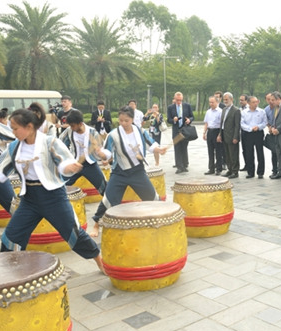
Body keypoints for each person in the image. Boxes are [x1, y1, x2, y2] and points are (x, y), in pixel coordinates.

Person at [0, 107, 105, 273]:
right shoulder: (14, 147)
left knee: (74, 234)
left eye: (15, 128)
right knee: (10, 237)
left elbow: (64, 164)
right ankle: (12, 272)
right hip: (29, 199)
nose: (13, 132)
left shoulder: (50, 142)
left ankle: (98, 259)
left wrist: (69, 167)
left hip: (53, 198)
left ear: (29, 126)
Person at [90, 106, 167, 237]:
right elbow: (108, 152)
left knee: (152, 197)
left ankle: (162, 221)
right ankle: (96, 225)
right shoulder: (113, 134)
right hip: (120, 172)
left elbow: (150, 143)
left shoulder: (140, 131)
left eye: (126, 120)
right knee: (108, 198)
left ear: (132, 119)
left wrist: (159, 149)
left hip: (137, 171)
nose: (123, 123)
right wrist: (102, 154)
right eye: (121, 120)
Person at [59, 109, 110, 197]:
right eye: (70, 126)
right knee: (59, 185)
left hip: (90, 165)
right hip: (74, 164)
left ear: (80, 123)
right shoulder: (69, 131)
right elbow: (60, 144)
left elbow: (101, 147)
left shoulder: (92, 132)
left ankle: (110, 207)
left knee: (105, 189)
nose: (71, 128)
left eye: (73, 126)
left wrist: (102, 155)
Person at [167, 92, 194, 174]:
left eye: (180, 100)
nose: (178, 102)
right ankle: (179, 166)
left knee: (184, 148)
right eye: (177, 100)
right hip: (176, 130)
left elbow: (192, 116)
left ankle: (185, 165)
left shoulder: (187, 106)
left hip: (185, 129)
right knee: (177, 148)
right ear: (174, 99)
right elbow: (168, 119)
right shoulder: (170, 107)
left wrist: (189, 120)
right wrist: (173, 120)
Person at [240, 96, 267, 179]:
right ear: (248, 103)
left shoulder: (261, 111)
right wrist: (250, 128)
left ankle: (260, 172)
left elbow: (265, 122)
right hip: (248, 134)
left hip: (258, 133)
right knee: (249, 153)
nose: (255, 104)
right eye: (253, 102)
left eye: (256, 102)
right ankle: (250, 172)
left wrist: (258, 127)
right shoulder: (244, 112)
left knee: (260, 152)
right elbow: (242, 123)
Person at [218, 92, 241, 179]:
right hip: (224, 135)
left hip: (232, 136)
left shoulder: (236, 110)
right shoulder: (224, 110)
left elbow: (237, 125)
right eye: (224, 99)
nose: (225, 101)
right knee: (227, 154)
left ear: (231, 99)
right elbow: (222, 123)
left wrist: (236, 137)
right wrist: (220, 134)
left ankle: (235, 171)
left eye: (227, 99)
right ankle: (230, 169)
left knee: (233, 155)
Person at [203, 96, 223, 175]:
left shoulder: (220, 111)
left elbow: (222, 124)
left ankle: (218, 168)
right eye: (210, 102)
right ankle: (211, 168)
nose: (211, 104)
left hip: (217, 131)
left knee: (218, 151)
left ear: (217, 102)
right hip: (210, 132)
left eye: (212, 102)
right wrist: (204, 133)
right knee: (210, 151)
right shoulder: (208, 112)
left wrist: (220, 135)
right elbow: (206, 123)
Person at [264, 92, 279, 179]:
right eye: (268, 99)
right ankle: (274, 170)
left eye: (272, 99)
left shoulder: (278, 108)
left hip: (279, 132)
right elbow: (266, 120)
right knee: (274, 153)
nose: (270, 101)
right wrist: (269, 127)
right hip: (272, 133)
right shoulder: (266, 109)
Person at [238, 94, 249, 172]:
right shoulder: (239, 109)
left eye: (242, 100)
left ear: (246, 101)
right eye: (240, 100)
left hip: (248, 131)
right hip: (242, 131)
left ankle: (250, 165)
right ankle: (246, 164)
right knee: (244, 149)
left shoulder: (249, 108)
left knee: (249, 149)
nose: (240, 102)